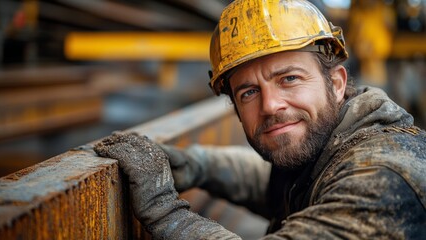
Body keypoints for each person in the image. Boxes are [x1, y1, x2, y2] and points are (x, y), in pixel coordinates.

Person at [93, 0, 426, 239]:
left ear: (336, 84)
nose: (270, 105)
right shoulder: (332, 143)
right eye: (249, 93)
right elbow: (267, 183)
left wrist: (162, 207)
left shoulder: (382, 179)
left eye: (289, 79)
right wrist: (193, 165)